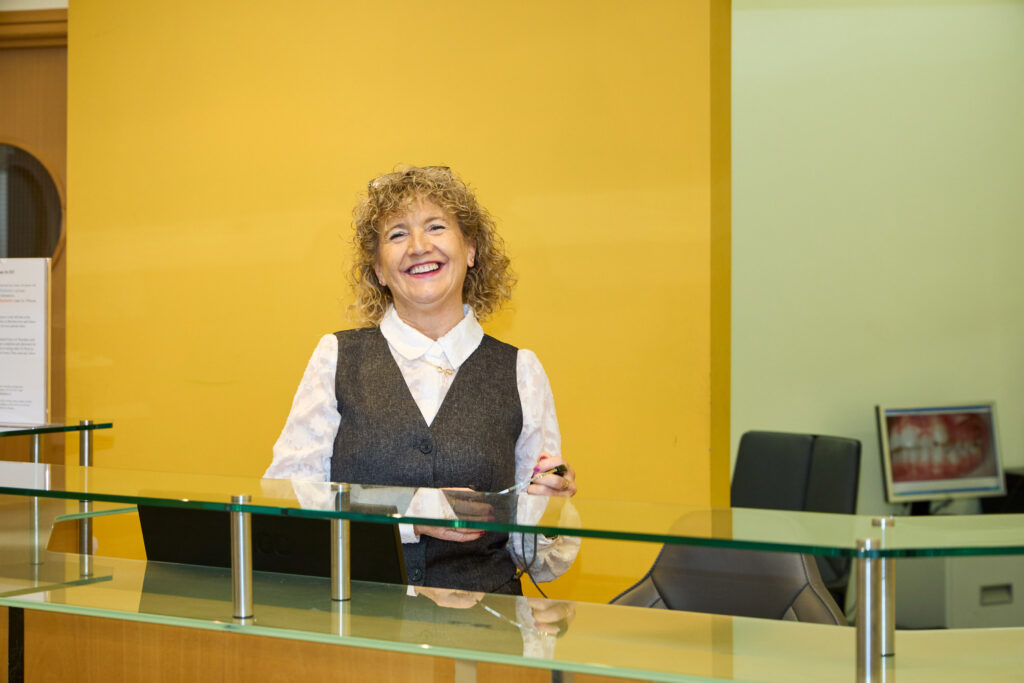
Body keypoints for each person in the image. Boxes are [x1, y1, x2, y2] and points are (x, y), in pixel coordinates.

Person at [265, 165, 579, 595]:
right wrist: (412, 512)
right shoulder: (337, 356)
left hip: (483, 635)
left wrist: (550, 509)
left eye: (435, 226)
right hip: (359, 623)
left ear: (471, 249)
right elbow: (286, 496)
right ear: (377, 269)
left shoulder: (521, 370)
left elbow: (537, 562)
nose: (417, 246)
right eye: (396, 235)